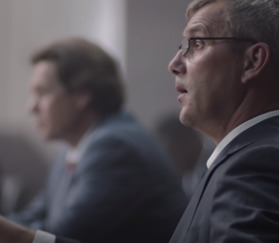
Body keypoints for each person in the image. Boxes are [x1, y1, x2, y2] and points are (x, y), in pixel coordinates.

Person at [167, 0, 279, 242]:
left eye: (197, 43)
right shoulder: (251, 158)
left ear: (252, 61)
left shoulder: (261, 166)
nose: (174, 64)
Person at [4, 37, 188, 243]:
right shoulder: (72, 151)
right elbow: (30, 218)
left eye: (42, 92)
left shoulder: (116, 147)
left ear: (82, 94)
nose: (32, 107)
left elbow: (62, 235)